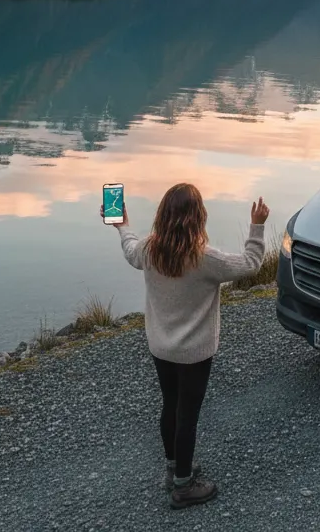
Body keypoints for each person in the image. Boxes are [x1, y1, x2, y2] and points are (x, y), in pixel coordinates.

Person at [103, 183, 269, 509]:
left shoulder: (150, 250)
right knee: (187, 416)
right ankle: (183, 485)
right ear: (199, 217)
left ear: (163, 214)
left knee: (170, 406)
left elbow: (130, 249)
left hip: (161, 347)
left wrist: (121, 224)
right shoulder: (206, 259)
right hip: (195, 352)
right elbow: (251, 263)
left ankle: (172, 470)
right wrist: (257, 226)